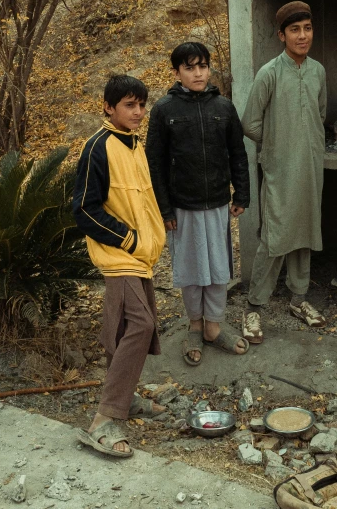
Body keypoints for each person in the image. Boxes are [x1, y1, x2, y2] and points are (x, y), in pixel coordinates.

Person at [73, 75, 166, 458]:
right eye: (130, 105)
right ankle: (103, 420)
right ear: (109, 107)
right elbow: (83, 209)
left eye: (142, 105)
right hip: (119, 255)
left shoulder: (134, 145)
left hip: (140, 256)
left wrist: (149, 240)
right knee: (141, 325)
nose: (139, 112)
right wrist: (127, 239)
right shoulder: (98, 147)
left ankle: (124, 398)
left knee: (130, 326)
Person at [146, 42, 250, 365]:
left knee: (219, 269)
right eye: (190, 67)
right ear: (177, 72)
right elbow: (155, 163)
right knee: (191, 270)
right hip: (183, 208)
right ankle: (194, 325)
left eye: (202, 66)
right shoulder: (165, 111)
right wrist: (164, 209)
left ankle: (214, 327)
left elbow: (238, 154)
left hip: (218, 203)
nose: (198, 73)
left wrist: (241, 194)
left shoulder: (224, 107)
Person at [241, 1, 327, 345]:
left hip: (310, 164)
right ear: (282, 35)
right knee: (276, 235)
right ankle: (253, 306)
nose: (302, 35)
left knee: (304, 229)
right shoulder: (269, 73)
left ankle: (298, 299)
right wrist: (276, 144)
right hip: (279, 167)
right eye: (295, 30)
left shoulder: (318, 71)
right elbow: (250, 123)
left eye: (307, 28)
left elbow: (320, 113)